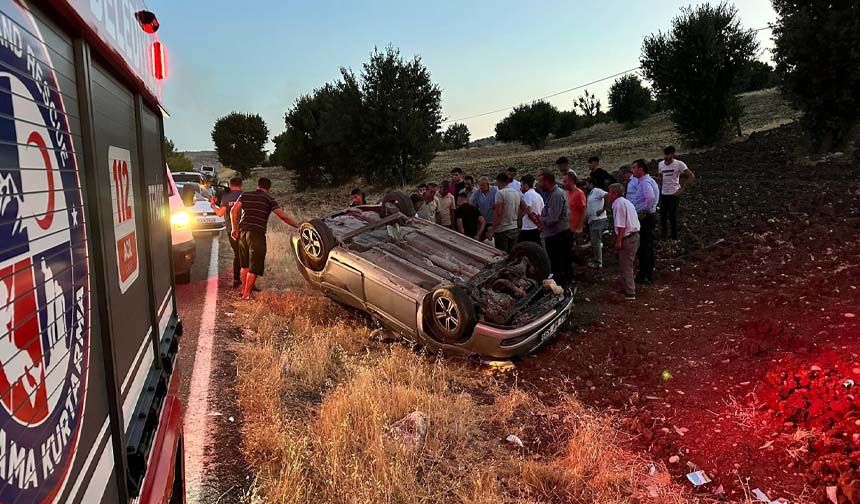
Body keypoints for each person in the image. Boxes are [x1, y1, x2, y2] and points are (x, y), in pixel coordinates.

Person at [230, 177, 299, 299]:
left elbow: (233, 211)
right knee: (254, 266)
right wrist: (297, 225)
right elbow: (282, 216)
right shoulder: (269, 199)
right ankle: (246, 295)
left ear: (258, 185)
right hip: (256, 234)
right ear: (269, 188)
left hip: (243, 232)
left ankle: (243, 290)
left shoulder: (245, 195)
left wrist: (234, 229)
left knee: (244, 265)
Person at [628, 159, 659, 284]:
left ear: (641, 169)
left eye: (635, 168)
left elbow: (650, 198)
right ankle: (646, 273)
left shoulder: (645, 182)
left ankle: (645, 274)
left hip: (645, 217)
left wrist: (644, 211)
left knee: (645, 247)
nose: (633, 170)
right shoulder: (646, 181)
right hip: (647, 215)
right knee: (647, 246)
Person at [539, 172, 573, 286]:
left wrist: (541, 219)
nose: (539, 184)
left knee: (559, 264)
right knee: (562, 263)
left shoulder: (556, 195)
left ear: (547, 182)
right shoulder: (553, 194)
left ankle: (563, 287)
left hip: (558, 235)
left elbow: (553, 218)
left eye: (541, 181)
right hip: (557, 234)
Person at [608, 183, 640, 300]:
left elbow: (621, 225)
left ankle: (630, 292)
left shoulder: (618, 204)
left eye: (610, 192)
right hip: (634, 236)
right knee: (626, 263)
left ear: (615, 193)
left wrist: (618, 241)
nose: (608, 195)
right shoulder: (625, 202)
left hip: (628, 237)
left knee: (626, 265)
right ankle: (626, 287)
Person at [211, 176, 244, 287]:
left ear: (230, 184)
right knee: (245, 255)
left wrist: (213, 205)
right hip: (245, 230)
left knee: (237, 254)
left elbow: (220, 213)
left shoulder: (226, 197)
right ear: (241, 184)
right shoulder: (244, 196)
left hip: (231, 231)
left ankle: (236, 279)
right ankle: (246, 281)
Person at [657, 145, 695, 240]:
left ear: (673, 154)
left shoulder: (679, 164)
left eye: (668, 154)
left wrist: (682, 189)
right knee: (663, 216)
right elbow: (661, 178)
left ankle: (674, 237)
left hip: (674, 193)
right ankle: (663, 236)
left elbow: (691, 176)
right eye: (665, 154)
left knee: (672, 216)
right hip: (664, 193)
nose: (666, 157)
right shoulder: (660, 164)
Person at [489, 172, 522, 253]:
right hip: (514, 227)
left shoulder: (500, 193)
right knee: (511, 254)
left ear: (500, 181)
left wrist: (492, 230)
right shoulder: (516, 193)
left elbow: (498, 213)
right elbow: (524, 208)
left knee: (502, 255)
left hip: (503, 229)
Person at [585, 179, 609, 268]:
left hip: (598, 219)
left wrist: (603, 209)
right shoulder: (591, 194)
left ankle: (598, 262)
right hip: (593, 220)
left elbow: (607, 195)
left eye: (587, 184)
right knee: (595, 241)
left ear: (591, 184)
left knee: (596, 241)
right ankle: (598, 258)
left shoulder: (597, 191)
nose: (586, 186)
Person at [518, 174, 543, 243]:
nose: (520, 188)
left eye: (521, 185)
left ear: (526, 185)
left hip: (528, 228)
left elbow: (527, 209)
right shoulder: (538, 196)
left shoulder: (527, 195)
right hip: (536, 227)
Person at [470, 176, 497, 241]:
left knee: (491, 240)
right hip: (482, 221)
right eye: (480, 185)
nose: (481, 187)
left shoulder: (495, 191)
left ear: (488, 184)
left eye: (483, 185)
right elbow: (471, 201)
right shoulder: (477, 192)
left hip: (492, 221)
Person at [563, 172, 587, 240]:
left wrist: (580, 227)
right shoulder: (566, 193)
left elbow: (584, 210)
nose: (564, 184)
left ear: (572, 181)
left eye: (565, 182)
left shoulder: (579, 193)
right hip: (567, 227)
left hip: (576, 228)